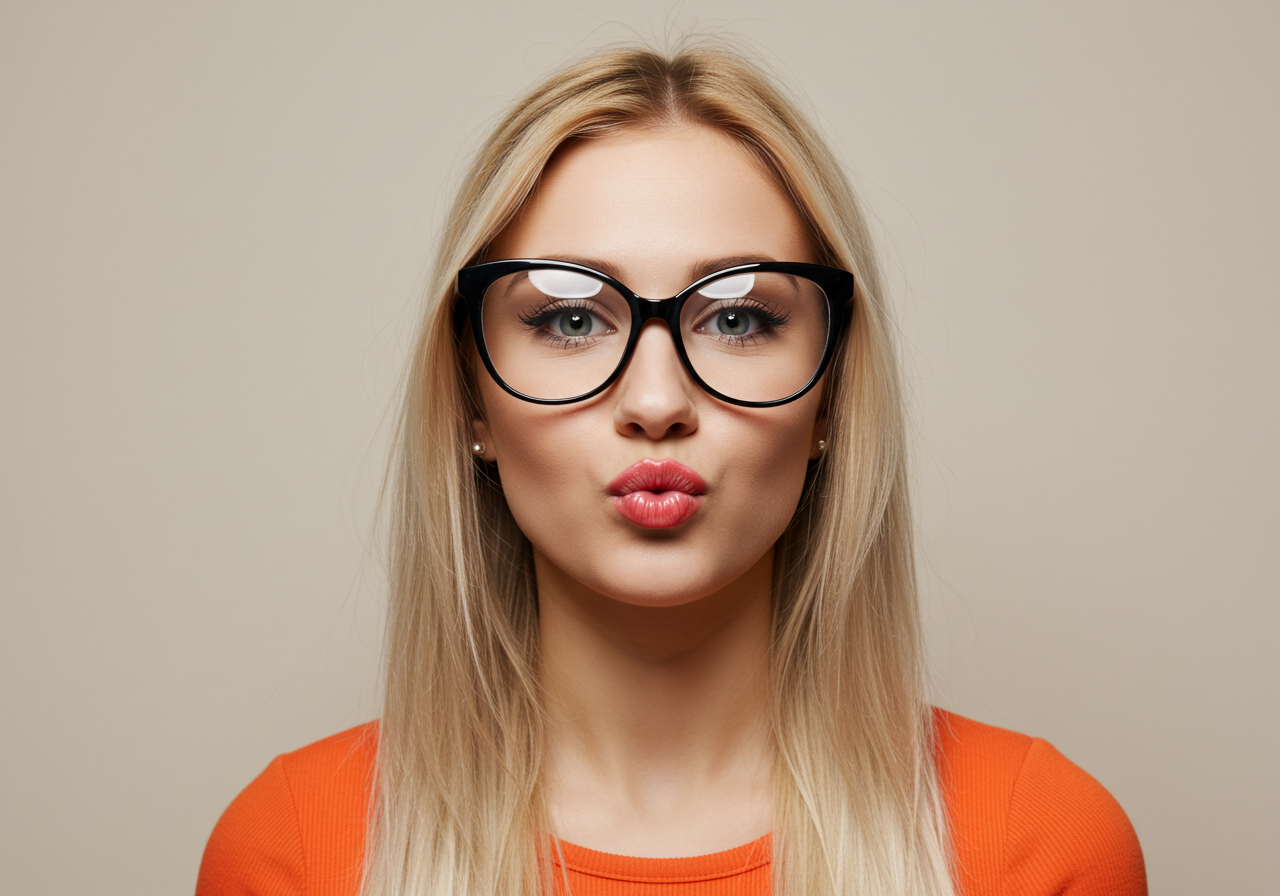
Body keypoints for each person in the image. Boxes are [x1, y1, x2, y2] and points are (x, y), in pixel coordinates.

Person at [196, 40, 1146, 896]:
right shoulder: (295, 855)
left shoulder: (1039, 848)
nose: (656, 402)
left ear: (831, 399)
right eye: (571, 318)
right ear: (473, 401)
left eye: (737, 317)